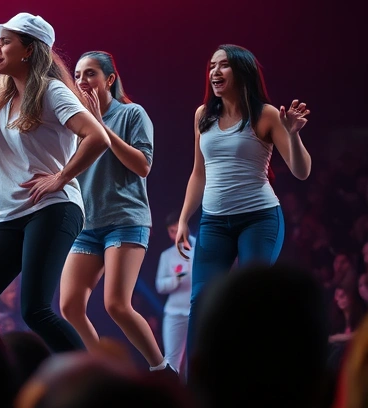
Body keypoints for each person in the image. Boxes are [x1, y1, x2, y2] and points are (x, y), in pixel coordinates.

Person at [0, 12, 109, 352]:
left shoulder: (52, 91)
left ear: (29, 50)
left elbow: (98, 137)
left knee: (35, 310)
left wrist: (61, 177)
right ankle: (5, 383)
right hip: (9, 215)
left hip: (53, 207)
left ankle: (90, 382)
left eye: (5, 41)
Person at [174, 45, 312, 361]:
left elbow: (302, 172)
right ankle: (197, 389)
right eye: (212, 66)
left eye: (223, 66)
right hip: (214, 222)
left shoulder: (265, 115)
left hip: (259, 220)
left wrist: (292, 134)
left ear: (242, 71)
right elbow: (199, 174)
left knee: (254, 299)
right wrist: (184, 219)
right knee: (201, 300)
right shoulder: (202, 115)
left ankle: (255, 375)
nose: (215, 73)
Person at [58, 51, 172, 373]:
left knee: (116, 305)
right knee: (69, 306)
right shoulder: (75, 122)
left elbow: (143, 166)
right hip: (88, 223)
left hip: (125, 219)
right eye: (78, 75)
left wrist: (102, 130)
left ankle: (161, 368)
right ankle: (104, 371)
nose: (82, 81)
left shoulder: (132, 114)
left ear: (109, 79)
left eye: (90, 74)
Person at [156, 213, 194, 377]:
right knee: (172, 361)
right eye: (171, 231)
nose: (175, 234)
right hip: (174, 312)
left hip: (197, 312)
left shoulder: (202, 249)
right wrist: (175, 280)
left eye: (177, 229)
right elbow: (160, 286)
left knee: (194, 363)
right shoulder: (167, 255)